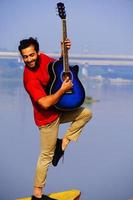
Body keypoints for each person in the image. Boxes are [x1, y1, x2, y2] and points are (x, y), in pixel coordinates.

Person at [18, 37, 92, 200]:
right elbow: (44, 103)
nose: (29, 59)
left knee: (86, 113)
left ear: (37, 52)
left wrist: (63, 51)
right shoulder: (29, 78)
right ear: (22, 57)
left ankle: (62, 143)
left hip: (59, 109)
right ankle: (37, 195)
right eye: (25, 57)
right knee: (46, 155)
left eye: (31, 55)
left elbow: (57, 67)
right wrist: (63, 90)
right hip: (47, 119)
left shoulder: (43, 58)